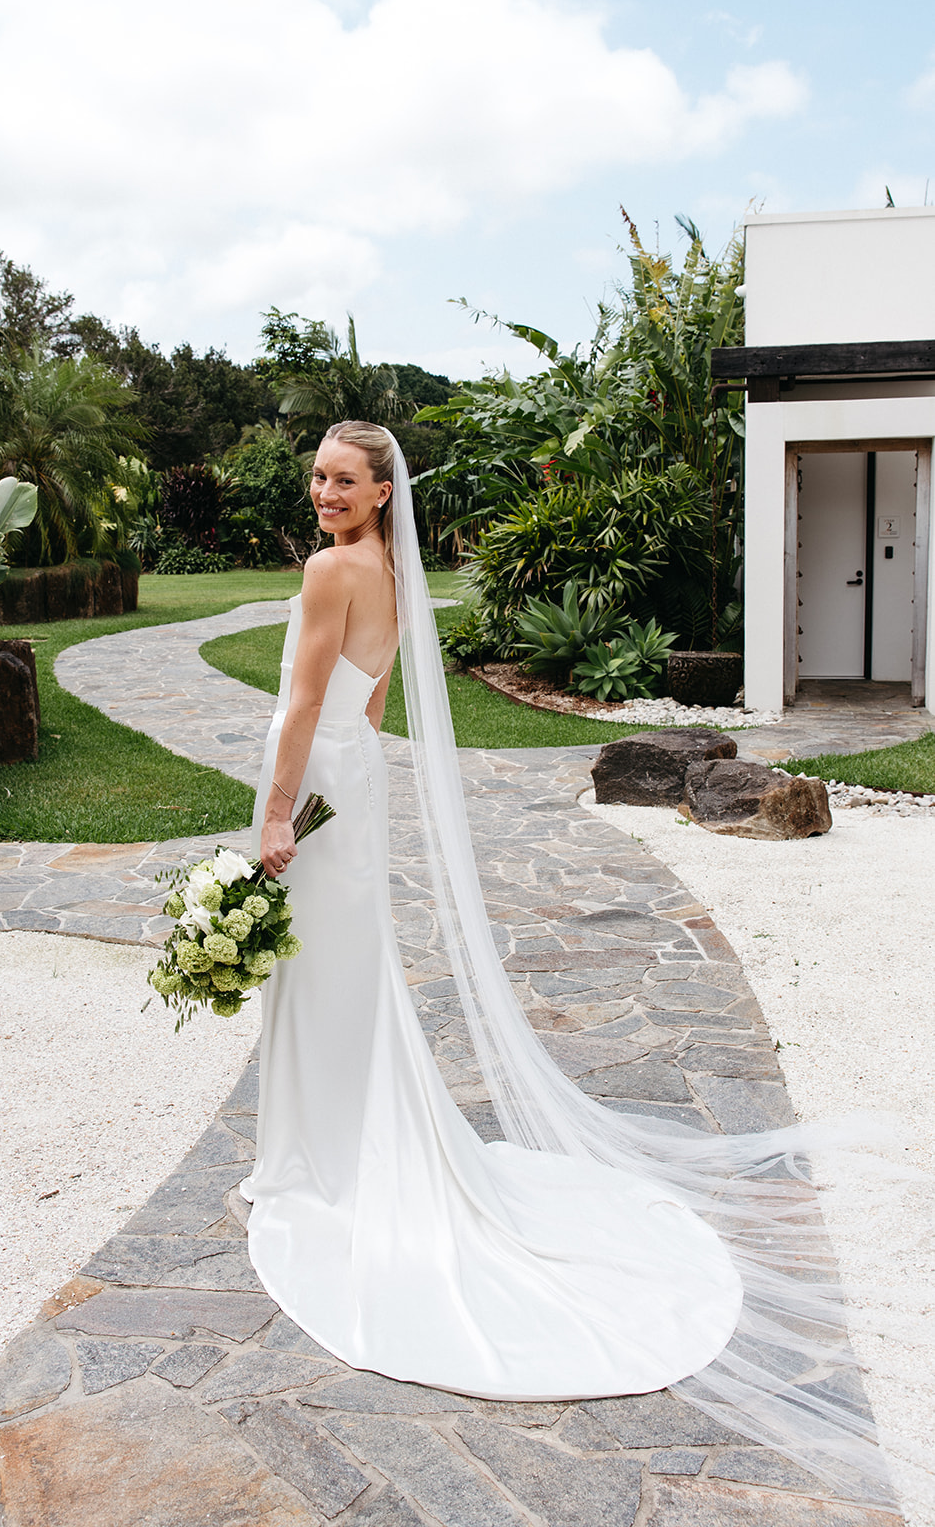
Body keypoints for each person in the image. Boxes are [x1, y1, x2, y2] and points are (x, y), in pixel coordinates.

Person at [240, 421, 904, 1503]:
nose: (324, 491)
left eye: (342, 480)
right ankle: (330, 1150)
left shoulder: (327, 570)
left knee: (321, 971)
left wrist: (275, 815)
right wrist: (331, 781)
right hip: (350, 787)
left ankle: (319, 1165)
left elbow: (311, 700)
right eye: (316, 475)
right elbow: (367, 704)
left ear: (376, 494)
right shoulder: (387, 574)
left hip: (312, 786)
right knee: (340, 973)